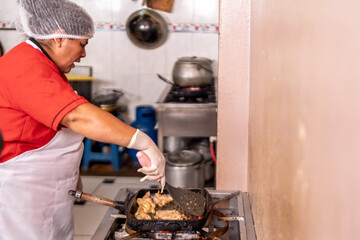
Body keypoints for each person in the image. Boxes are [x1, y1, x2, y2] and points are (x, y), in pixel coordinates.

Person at [0, 0, 165, 239]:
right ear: (59, 38)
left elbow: (55, 129)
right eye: (82, 44)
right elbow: (76, 116)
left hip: (47, 189)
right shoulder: (26, 67)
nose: (84, 53)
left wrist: (71, 175)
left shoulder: (43, 65)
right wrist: (144, 142)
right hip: (22, 195)